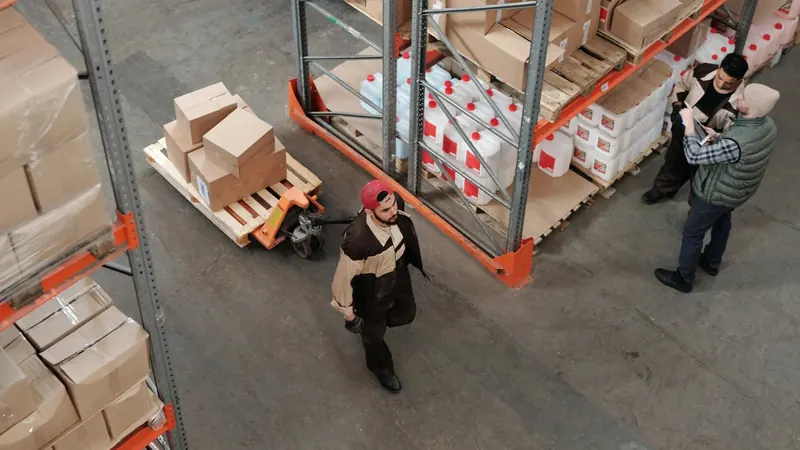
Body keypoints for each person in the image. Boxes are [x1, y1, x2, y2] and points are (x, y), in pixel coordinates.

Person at [655, 83, 779, 293]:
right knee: (722, 220)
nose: (738, 99)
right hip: (736, 191)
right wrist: (718, 136)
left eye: (743, 98)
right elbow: (741, 145)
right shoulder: (768, 125)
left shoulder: (737, 143)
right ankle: (711, 261)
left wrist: (689, 126)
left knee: (692, 233)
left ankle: (684, 278)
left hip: (716, 193)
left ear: (748, 107)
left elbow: (694, 155)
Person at [331, 180, 427, 393]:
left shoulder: (395, 208)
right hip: (371, 292)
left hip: (398, 276)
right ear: (369, 211)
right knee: (373, 336)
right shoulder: (357, 242)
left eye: (393, 204)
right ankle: (381, 368)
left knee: (407, 313)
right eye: (386, 209)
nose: (394, 211)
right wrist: (349, 314)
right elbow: (342, 280)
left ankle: (375, 327)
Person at [642, 53, 749, 205]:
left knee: (700, 178)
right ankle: (662, 189)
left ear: (740, 80)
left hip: (708, 146)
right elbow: (682, 85)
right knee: (674, 161)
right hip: (684, 129)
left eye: (728, 83)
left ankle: (695, 206)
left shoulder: (740, 104)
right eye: (719, 78)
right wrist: (677, 105)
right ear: (719, 68)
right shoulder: (703, 71)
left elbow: (734, 134)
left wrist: (716, 135)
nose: (721, 84)